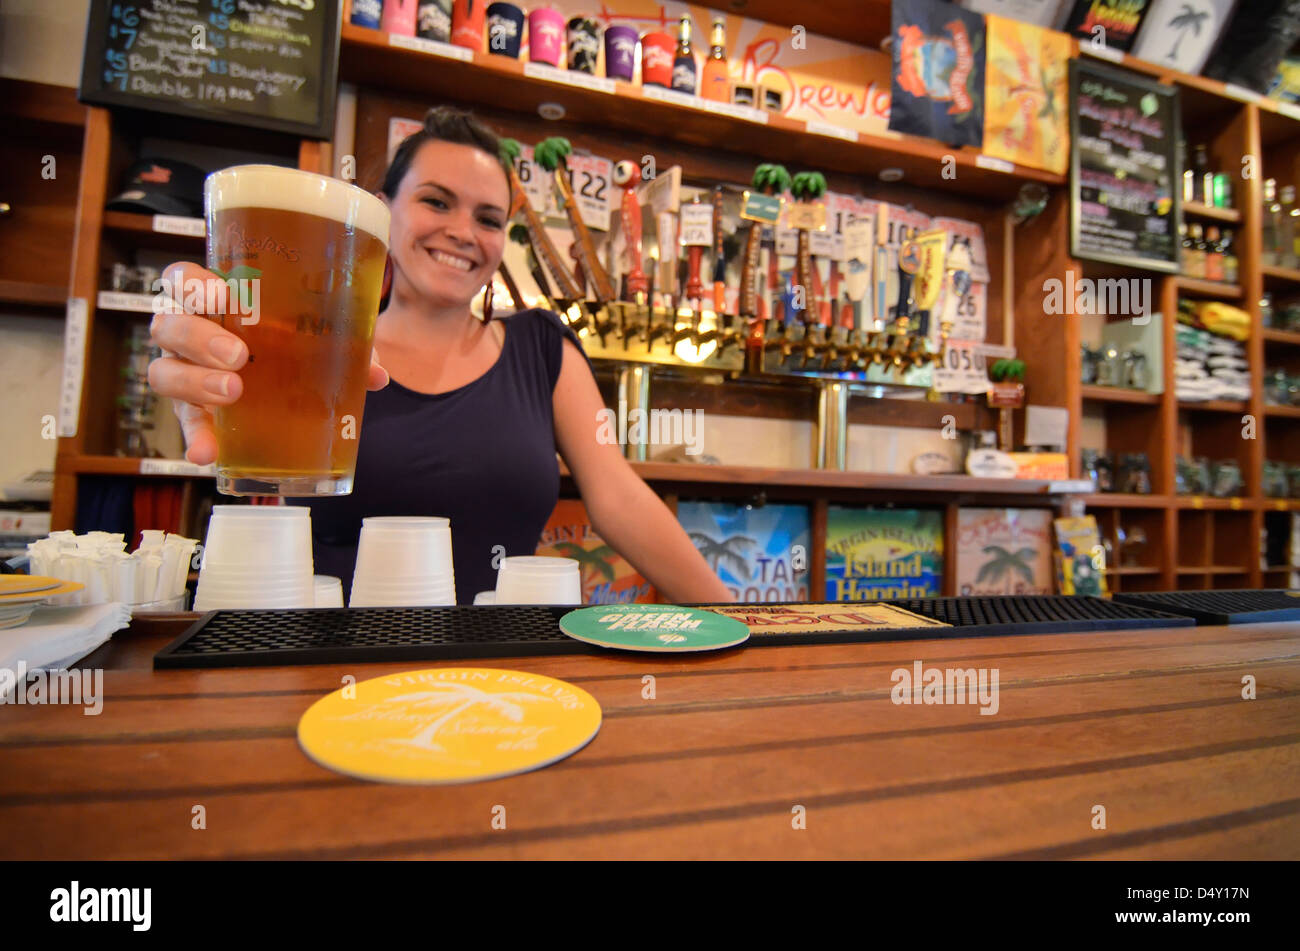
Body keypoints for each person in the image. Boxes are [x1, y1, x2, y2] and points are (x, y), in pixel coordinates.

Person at [148, 106, 734, 605]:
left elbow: (619, 497)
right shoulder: (314, 347)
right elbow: (233, 455)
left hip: (500, 677)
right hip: (335, 673)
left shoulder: (542, 347)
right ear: (382, 210)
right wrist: (210, 360)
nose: (463, 231)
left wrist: (745, 622)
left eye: (488, 218)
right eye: (436, 202)